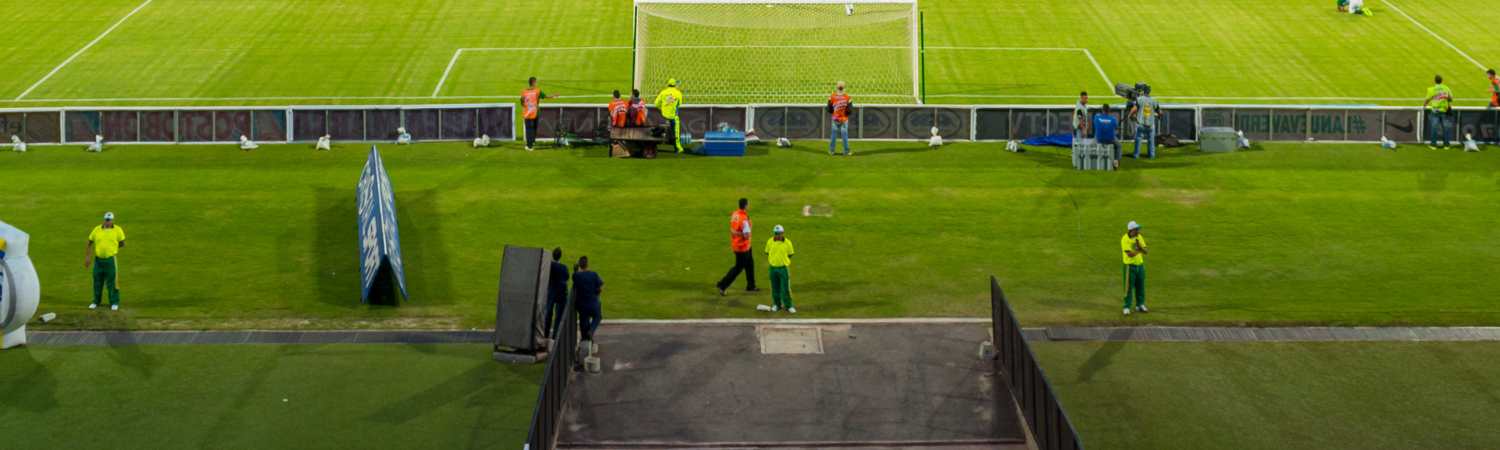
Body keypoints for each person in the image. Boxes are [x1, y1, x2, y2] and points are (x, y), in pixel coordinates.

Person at [716, 198, 758, 295]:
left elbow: (732, 229)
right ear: (746, 205)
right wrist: (741, 233)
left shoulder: (735, 214)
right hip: (742, 247)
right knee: (738, 268)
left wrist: (735, 232)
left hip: (739, 245)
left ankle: (751, 286)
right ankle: (722, 285)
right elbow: (746, 235)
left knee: (750, 264)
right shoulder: (744, 219)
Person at [85, 212, 126, 311]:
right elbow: (90, 242)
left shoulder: (118, 230)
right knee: (97, 281)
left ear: (112, 220)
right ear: (103, 220)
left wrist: (113, 249)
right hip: (98, 260)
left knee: (112, 282)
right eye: (106, 220)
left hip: (111, 260)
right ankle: (96, 301)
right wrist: (88, 257)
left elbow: (122, 243)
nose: (107, 222)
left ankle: (114, 302)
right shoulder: (97, 229)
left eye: (109, 220)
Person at [571, 256, 604, 344]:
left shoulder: (576, 276)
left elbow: (575, 277)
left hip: (581, 305)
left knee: (583, 320)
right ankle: (591, 331)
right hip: (592, 303)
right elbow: (600, 287)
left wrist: (575, 270)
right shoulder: (594, 274)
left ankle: (585, 338)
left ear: (579, 265)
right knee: (598, 316)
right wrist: (597, 293)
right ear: (587, 264)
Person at [765, 225, 796, 313]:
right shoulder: (769, 241)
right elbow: (767, 252)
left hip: (783, 268)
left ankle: (789, 306)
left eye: (779, 233)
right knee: (775, 288)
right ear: (774, 233)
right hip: (772, 268)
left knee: (785, 288)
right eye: (776, 233)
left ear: (783, 233)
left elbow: (790, 254)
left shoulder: (788, 242)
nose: (778, 235)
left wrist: (783, 261)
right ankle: (777, 305)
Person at [1121, 221, 1148, 316]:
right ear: (1131, 230)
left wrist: (1140, 248)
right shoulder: (1125, 239)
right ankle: (1126, 307)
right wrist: (1139, 249)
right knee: (1128, 288)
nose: (1138, 230)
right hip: (1129, 266)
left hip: (1140, 265)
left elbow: (1146, 251)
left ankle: (1140, 304)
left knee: (1140, 286)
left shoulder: (1139, 237)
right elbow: (1130, 254)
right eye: (1136, 229)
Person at [543, 247, 570, 339]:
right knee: (558, 316)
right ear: (560, 256)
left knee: (548, 314)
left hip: (551, 292)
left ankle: (546, 334)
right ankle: (555, 336)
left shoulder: (548, 266)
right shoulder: (564, 267)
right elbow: (567, 277)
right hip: (561, 293)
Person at [654, 79, 685, 153]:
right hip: (673, 116)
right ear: (675, 85)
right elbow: (679, 104)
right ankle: (677, 148)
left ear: (668, 84)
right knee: (676, 132)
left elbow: (656, 103)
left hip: (663, 115)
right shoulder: (678, 93)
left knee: (663, 129)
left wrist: (662, 108)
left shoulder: (663, 92)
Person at [1424, 74, 1454, 149]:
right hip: (1444, 110)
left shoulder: (1431, 89)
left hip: (1435, 111)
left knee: (1434, 128)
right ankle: (1446, 145)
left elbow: (1427, 99)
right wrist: (1445, 98)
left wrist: (1424, 105)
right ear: (1442, 81)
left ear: (1435, 81)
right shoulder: (1446, 88)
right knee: (1446, 128)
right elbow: (1451, 98)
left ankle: (1433, 145)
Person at [1129, 84, 1159, 159]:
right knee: (1151, 141)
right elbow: (1159, 111)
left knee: (1138, 140)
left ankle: (1136, 155)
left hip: (1141, 124)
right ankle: (1151, 156)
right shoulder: (1154, 100)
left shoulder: (1140, 99)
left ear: (1143, 91)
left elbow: (1134, 109)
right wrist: (1160, 115)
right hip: (1151, 125)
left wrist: (1129, 115)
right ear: (1149, 91)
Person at [521, 76, 549, 151]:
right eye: (536, 82)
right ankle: (531, 144)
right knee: (533, 128)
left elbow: (522, 102)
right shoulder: (537, 91)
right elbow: (545, 96)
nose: (536, 83)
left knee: (529, 129)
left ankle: (530, 145)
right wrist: (553, 96)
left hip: (527, 113)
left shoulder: (524, 91)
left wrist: (526, 105)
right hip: (535, 113)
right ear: (533, 82)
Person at [827, 81, 853, 156]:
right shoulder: (848, 97)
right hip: (844, 119)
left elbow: (829, 109)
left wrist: (834, 113)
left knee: (833, 135)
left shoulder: (832, 97)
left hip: (835, 119)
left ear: (836, 88)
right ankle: (846, 151)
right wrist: (845, 114)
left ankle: (831, 151)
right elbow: (850, 110)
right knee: (845, 136)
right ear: (844, 88)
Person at [1093, 104, 1120, 168]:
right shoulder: (1113, 119)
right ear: (1109, 111)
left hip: (1099, 139)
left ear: (1102, 110)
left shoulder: (1096, 117)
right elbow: (1116, 127)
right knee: (1118, 146)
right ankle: (1116, 161)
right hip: (1110, 139)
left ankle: (1094, 160)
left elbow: (1096, 126)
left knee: (1095, 135)